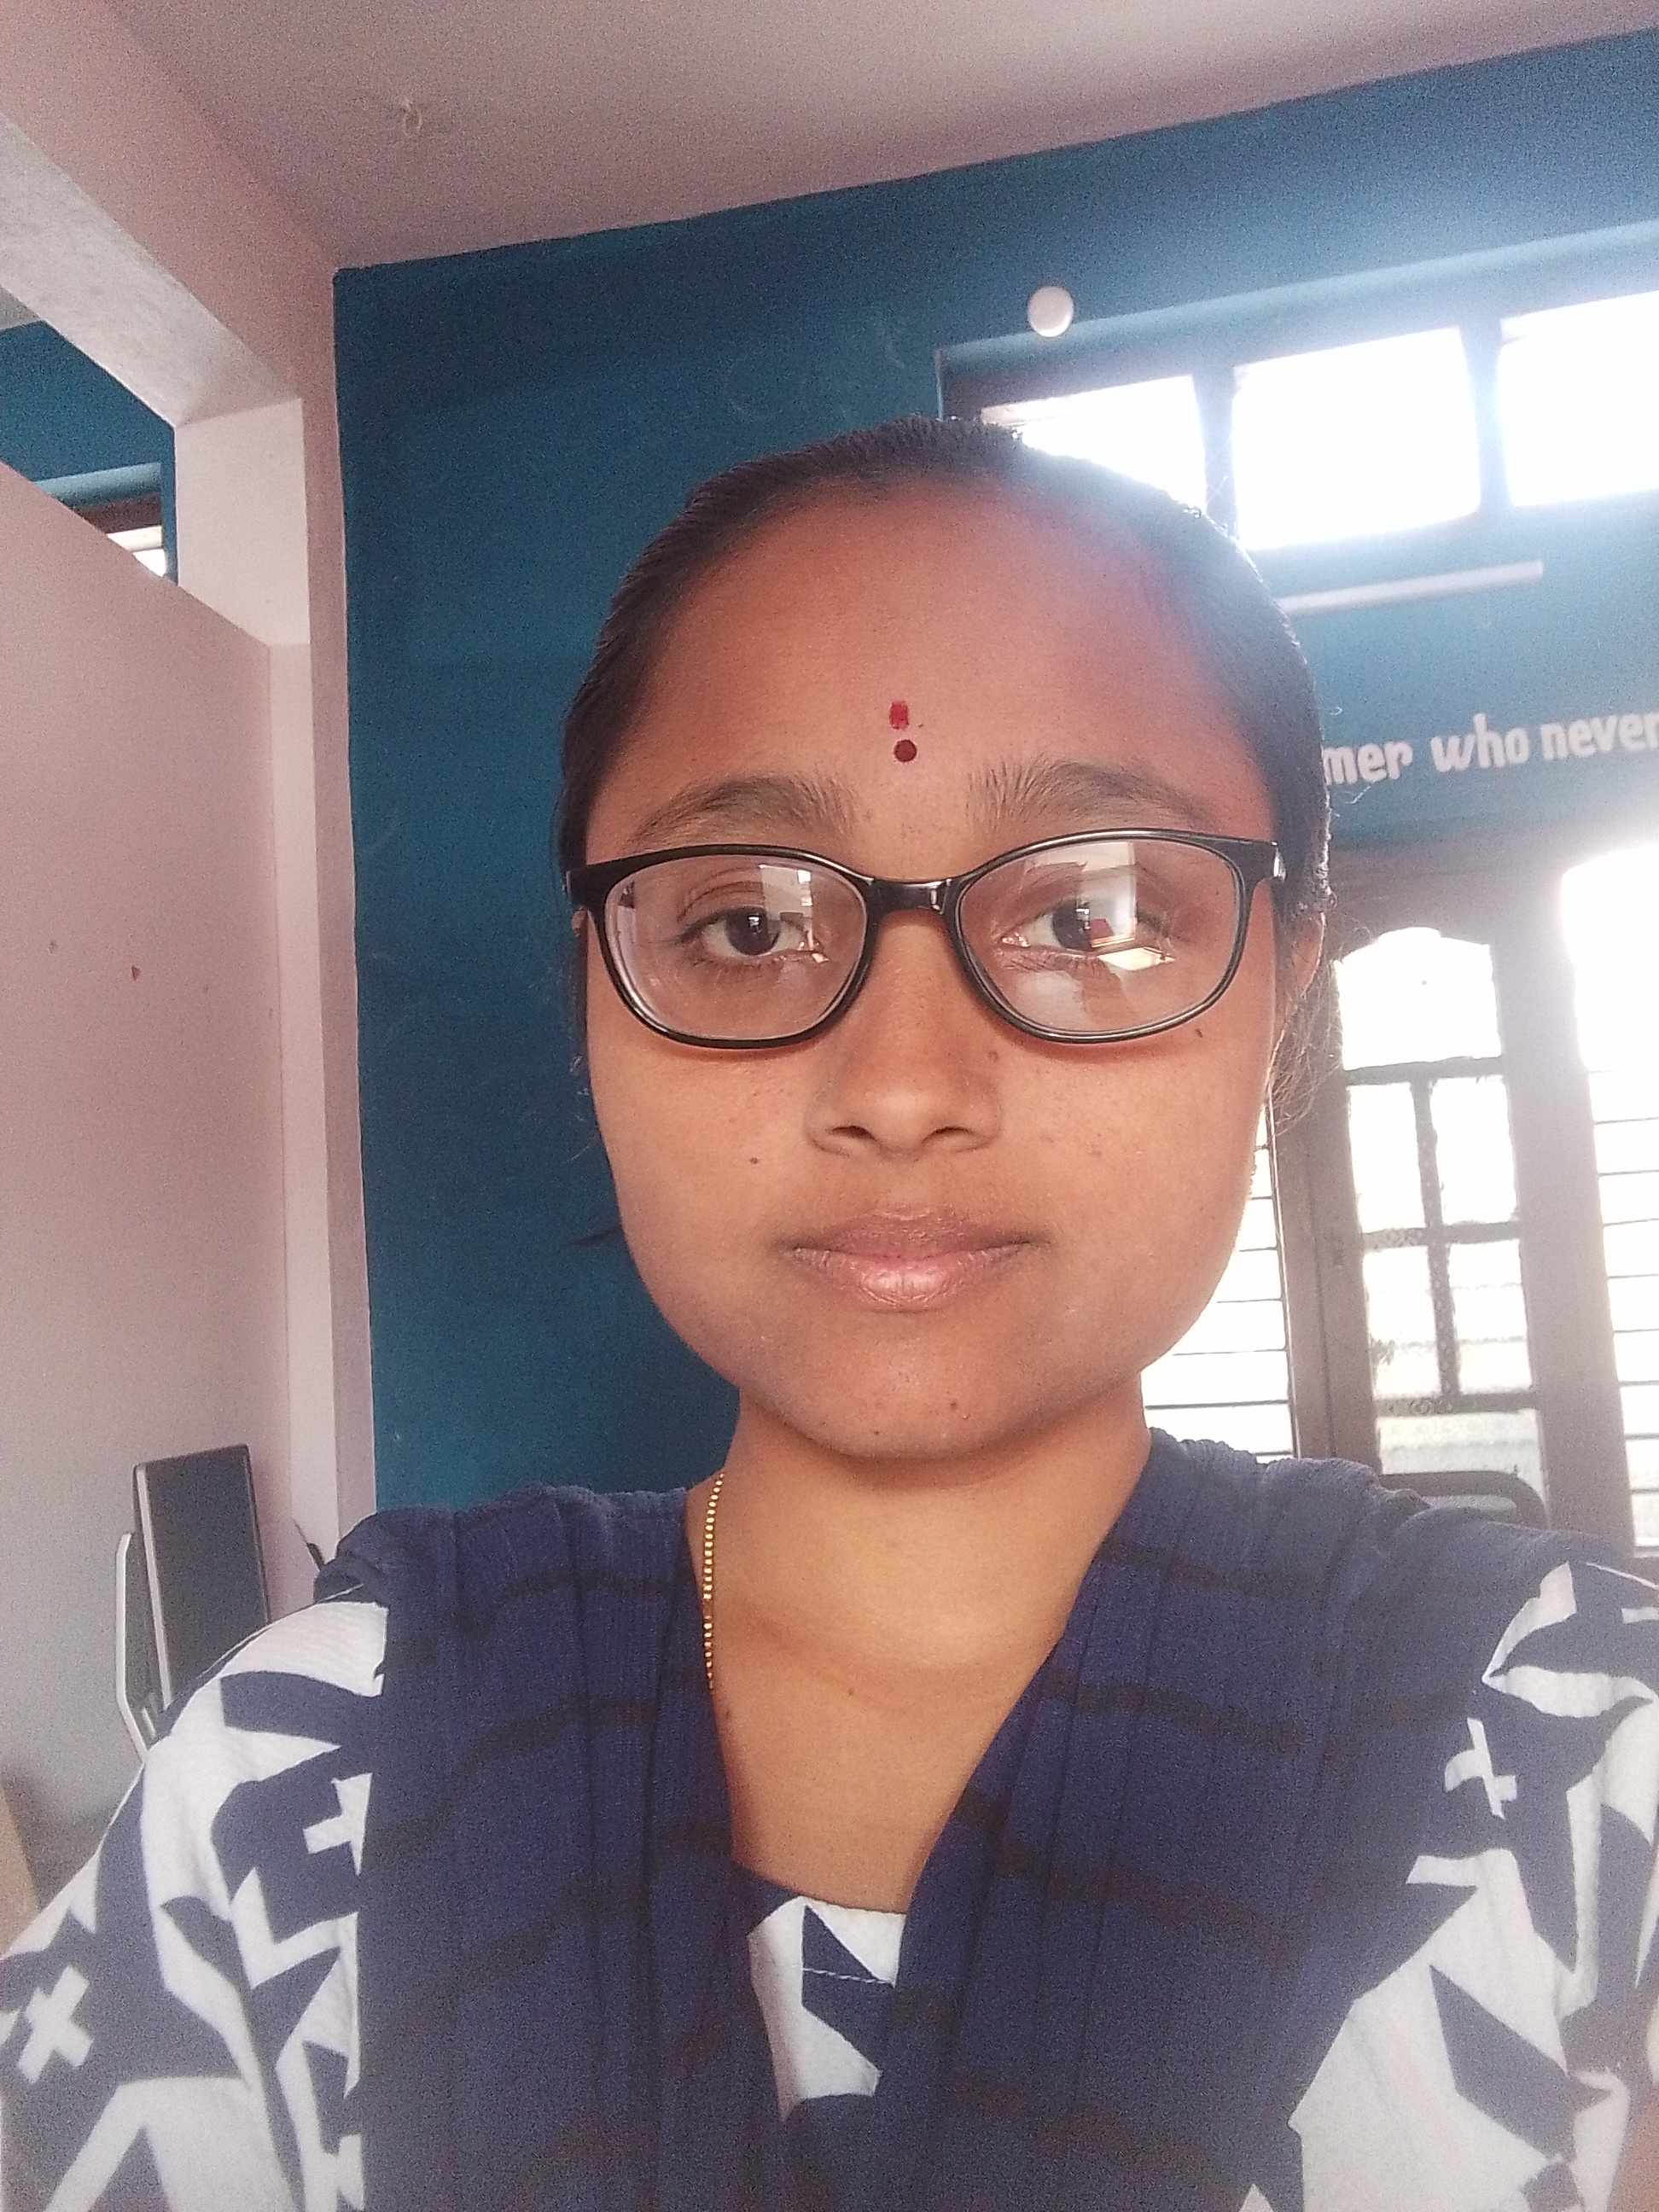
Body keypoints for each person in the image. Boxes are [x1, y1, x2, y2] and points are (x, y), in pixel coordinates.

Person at [3, 415, 1657, 2212]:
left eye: (1093, 913)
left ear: (1287, 992)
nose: (904, 1083)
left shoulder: (1590, 1762)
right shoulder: (302, 1786)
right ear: (593, 998)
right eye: (741, 926)